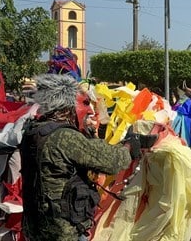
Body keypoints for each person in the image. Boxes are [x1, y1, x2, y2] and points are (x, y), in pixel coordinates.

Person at [20, 74, 156, 241]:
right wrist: (129, 146)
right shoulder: (63, 136)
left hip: (37, 230)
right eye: (85, 103)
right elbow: (111, 161)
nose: (91, 110)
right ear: (66, 106)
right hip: (62, 232)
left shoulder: (35, 131)